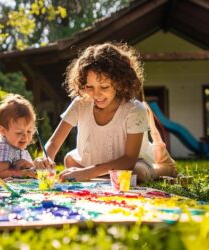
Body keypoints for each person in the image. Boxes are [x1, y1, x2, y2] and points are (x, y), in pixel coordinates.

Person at [35, 42, 176, 183]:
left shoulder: (134, 110)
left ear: (120, 82)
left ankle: (162, 168)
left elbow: (128, 160)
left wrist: (87, 173)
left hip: (129, 164)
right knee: (70, 160)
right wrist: (46, 157)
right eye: (89, 86)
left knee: (137, 174)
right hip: (93, 162)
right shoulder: (81, 103)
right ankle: (100, 176)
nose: (96, 94)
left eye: (104, 86)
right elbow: (54, 143)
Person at [0, 94, 40, 179]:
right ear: (3, 131)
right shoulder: (3, 147)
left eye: (29, 131)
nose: (25, 137)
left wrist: (29, 166)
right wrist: (24, 173)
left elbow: (33, 173)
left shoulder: (20, 149)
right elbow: (0, 174)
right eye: (19, 133)